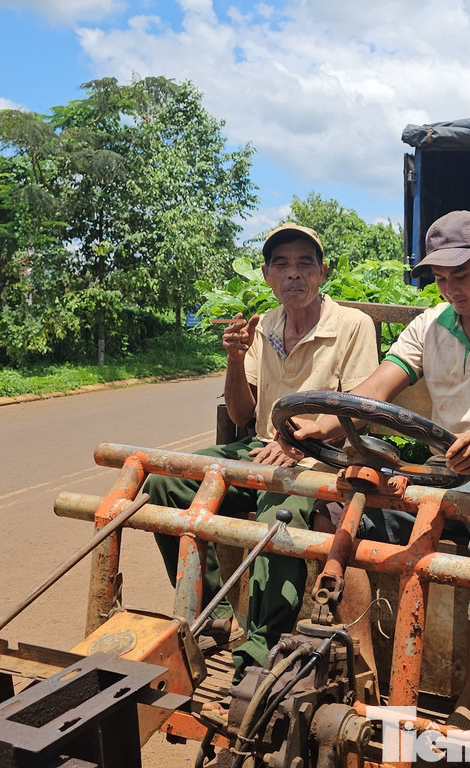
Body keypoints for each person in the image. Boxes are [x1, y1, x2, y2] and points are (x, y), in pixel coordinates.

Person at [287, 210, 470, 729]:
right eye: (440, 278)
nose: (450, 289)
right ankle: (369, 682)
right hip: (438, 472)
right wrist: (322, 426)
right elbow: (375, 389)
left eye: (460, 275)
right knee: (337, 514)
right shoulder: (428, 325)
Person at [141, 223, 379, 683]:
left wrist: (300, 441)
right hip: (263, 446)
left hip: (323, 454)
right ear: (268, 276)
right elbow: (241, 410)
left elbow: (359, 411)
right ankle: (212, 612)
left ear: (322, 272)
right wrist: (234, 359)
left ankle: (260, 644)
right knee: (163, 482)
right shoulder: (266, 324)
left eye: (305, 263)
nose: (294, 274)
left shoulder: (352, 326)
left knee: (280, 513)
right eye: (282, 264)